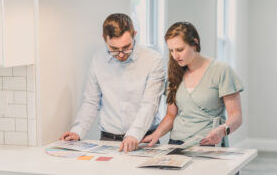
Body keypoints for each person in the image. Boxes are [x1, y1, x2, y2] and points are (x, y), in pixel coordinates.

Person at [60, 13, 166, 153]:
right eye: (114, 49)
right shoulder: (98, 59)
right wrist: (78, 131)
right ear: (104, 39)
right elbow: (91, 101)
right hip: (108, 140)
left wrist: (134, 134)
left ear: (134, 34)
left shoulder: (153, 60)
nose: (121, 54)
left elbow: (150, 104)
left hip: (143, 139)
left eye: (126, 47)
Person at [142, 22, 244, 147]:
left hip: (208, 142)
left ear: (195, 43)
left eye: (180, 50)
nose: (175, 56)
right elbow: (170, 115)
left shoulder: (221, 70)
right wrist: (156, 134)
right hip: (176, 143)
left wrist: (222, 131)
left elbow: (236, 116)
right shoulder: (174, 74)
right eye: (171, 51)